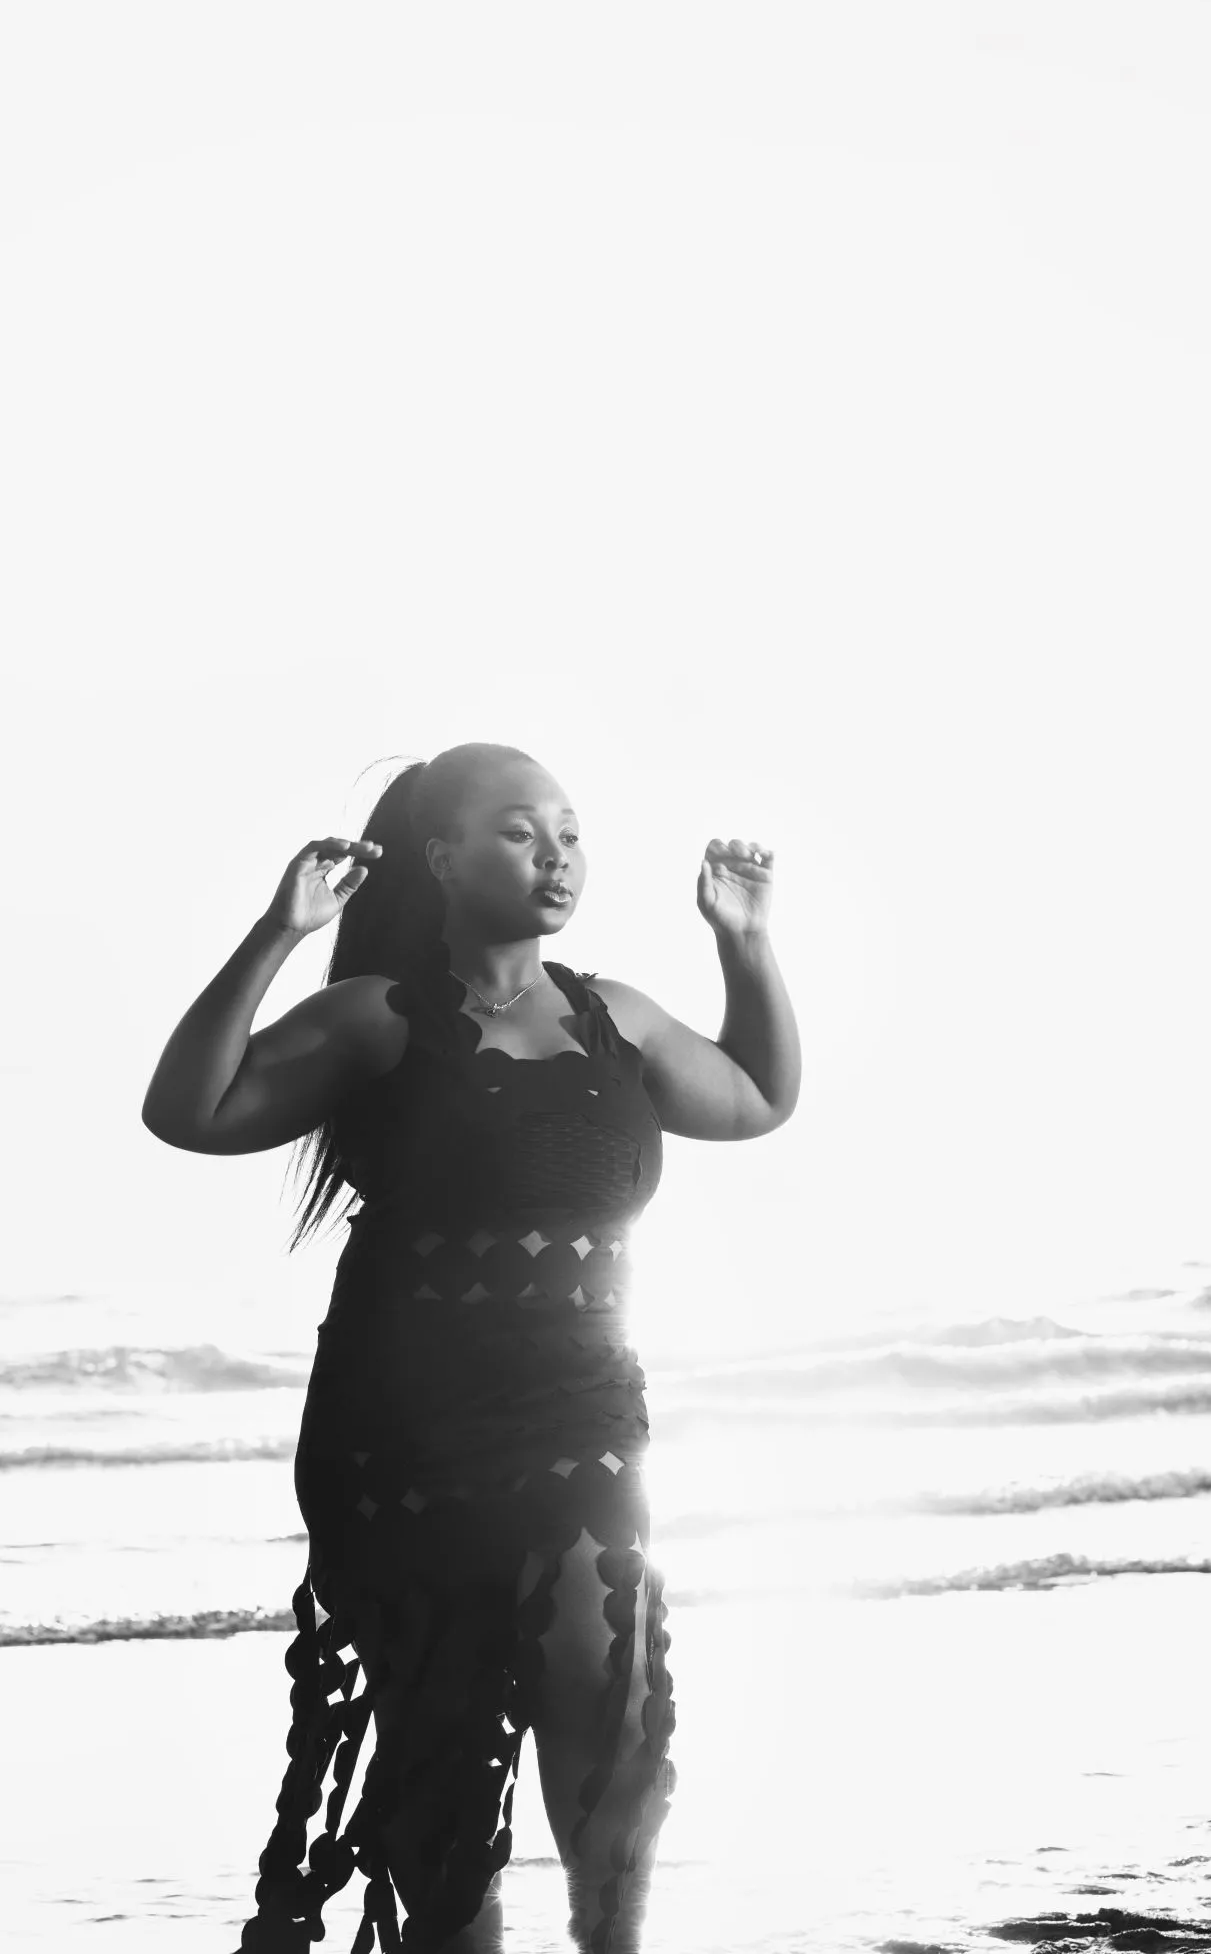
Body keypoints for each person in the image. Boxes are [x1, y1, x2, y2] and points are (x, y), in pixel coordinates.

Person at [141, 741, 800, 1954]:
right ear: (441, 856)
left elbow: (756, 1096)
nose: (555, 854)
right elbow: (189, 1111)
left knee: (615, 1709)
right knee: (441, 1766)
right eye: (518, 829)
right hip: (401, 1436)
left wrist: (744, 942)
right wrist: (274, 934)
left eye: (570, 831)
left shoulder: (618, 1018)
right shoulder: (376, 1019)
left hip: (585, 1409)